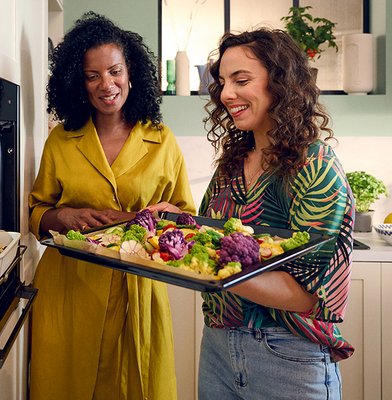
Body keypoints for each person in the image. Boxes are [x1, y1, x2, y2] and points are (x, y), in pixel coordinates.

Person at [28, 11, 195, 400]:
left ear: (130, 72)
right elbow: (37, 213)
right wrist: (62, 216)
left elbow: (187, 220)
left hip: (138, 289)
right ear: (78, 82)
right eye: (92, 76)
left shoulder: (161, 140)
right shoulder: (61, 140)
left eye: (115, 71)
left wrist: (156, 219)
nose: (107, 84)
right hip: (69, 289)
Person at [197, 28, 355, 399]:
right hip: (218, 347)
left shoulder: (315, 166)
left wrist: (201, 266)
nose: (226, 93)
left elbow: (311, 296)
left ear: (280, 83)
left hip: (288, 355)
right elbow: (212, 234)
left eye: (242, 79)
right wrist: (176, 222)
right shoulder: (232, 163)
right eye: (222, 82)